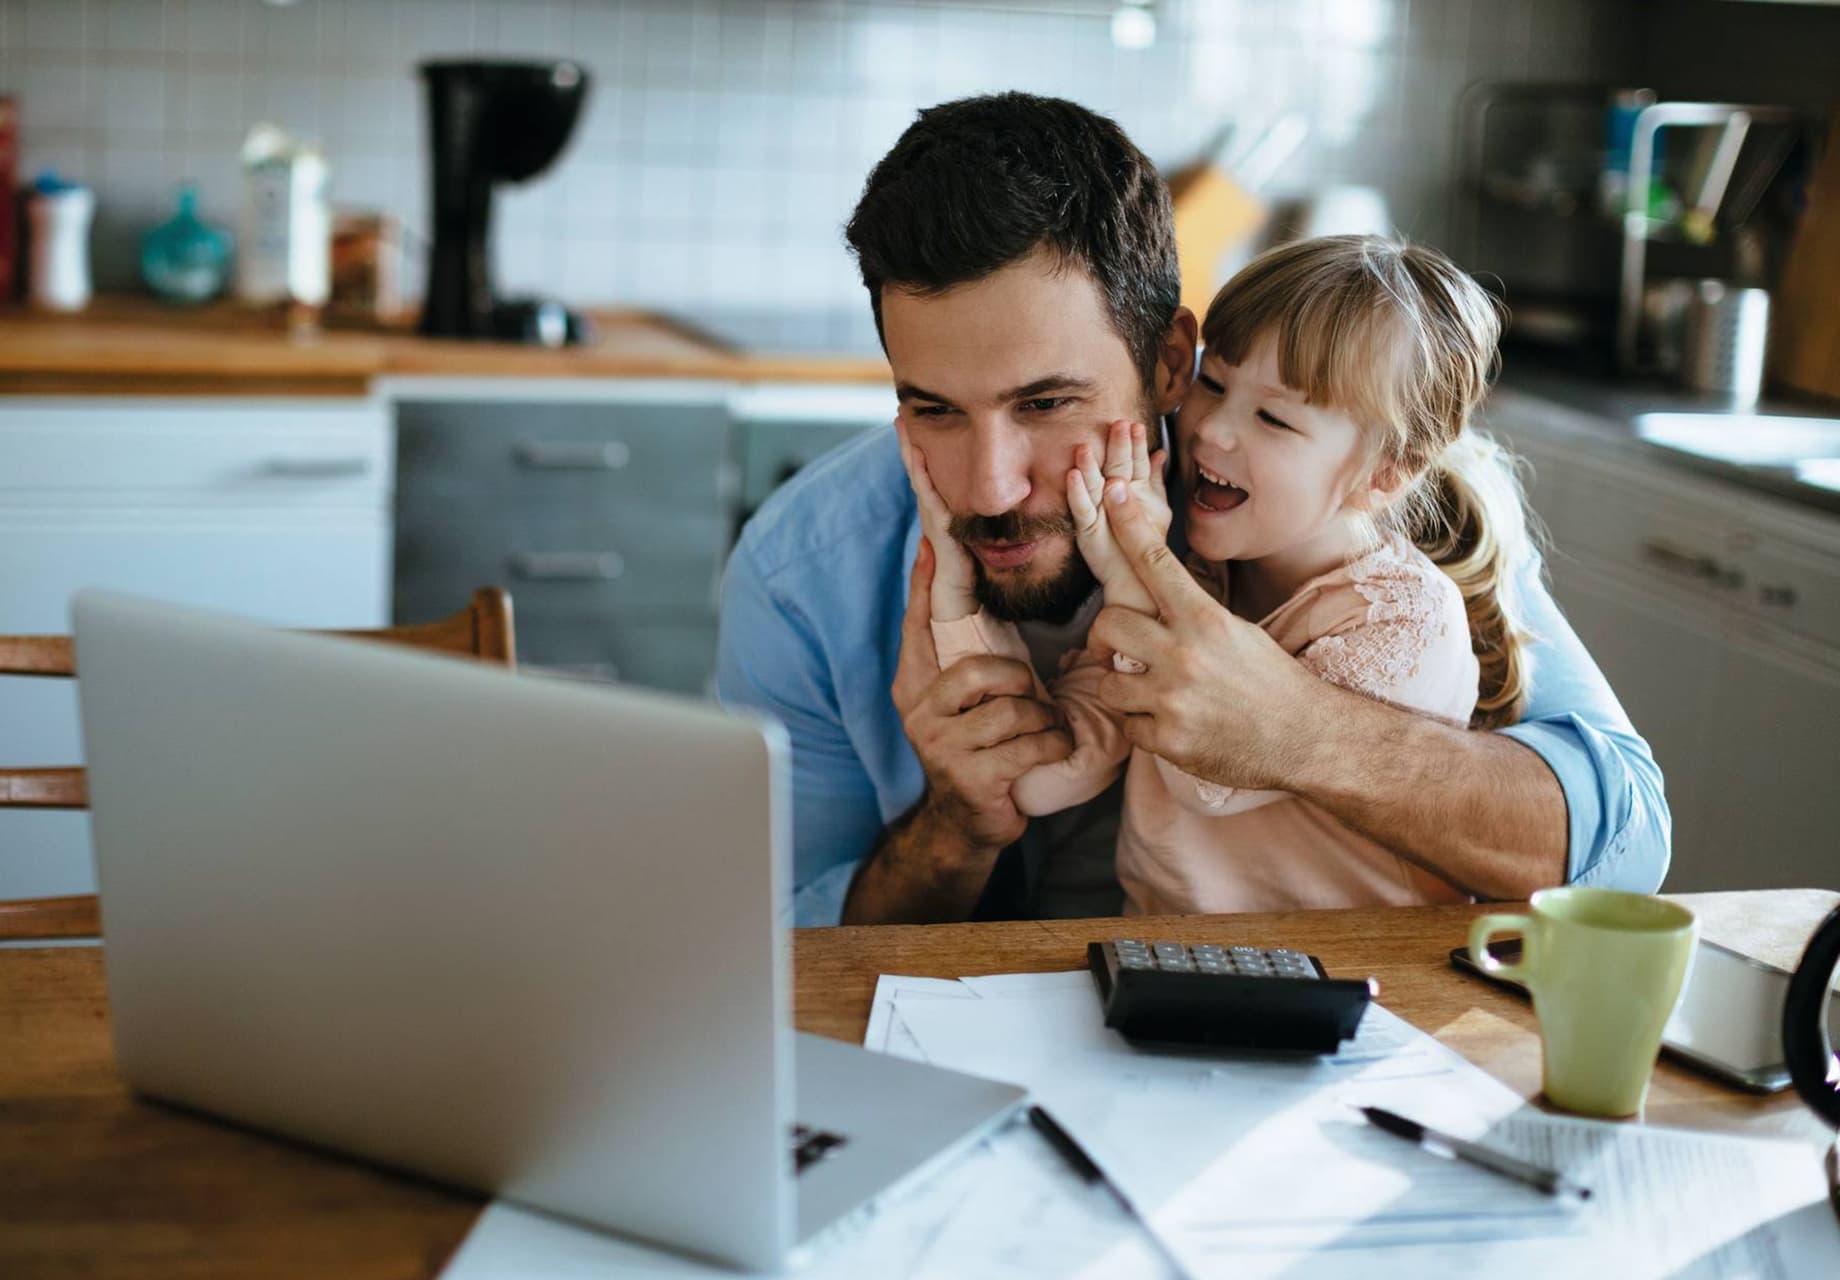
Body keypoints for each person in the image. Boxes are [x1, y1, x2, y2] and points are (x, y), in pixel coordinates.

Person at [714, 92, 1670, 927]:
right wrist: (957, 824)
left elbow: (1623, 841)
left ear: (1174, 363)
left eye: (1048, 405)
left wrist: (1300, 730)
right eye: (933, 409)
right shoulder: (806, 571)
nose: (991, 488)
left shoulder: (1350, 508)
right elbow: (779, 953)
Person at [909, 233, 1536, 913]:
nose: (1212, 430)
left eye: (1273, 417)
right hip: (1173, 968)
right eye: (1214, 383)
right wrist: (955, 596)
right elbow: (1043, 782)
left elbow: (1207, 775)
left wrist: (1129, 576)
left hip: (1357, 984)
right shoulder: (1202, 577)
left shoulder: (1404, 620)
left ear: (1385, 475)